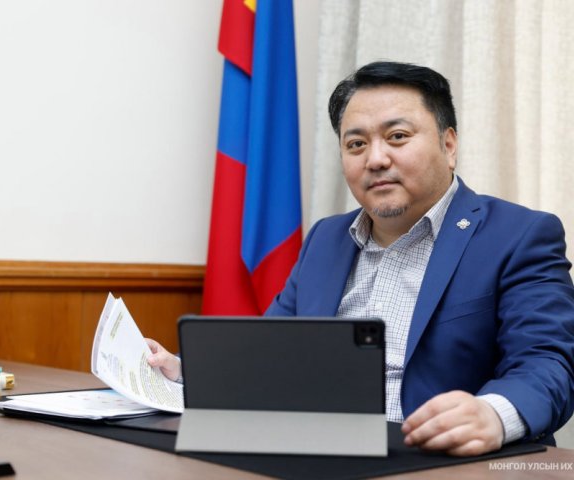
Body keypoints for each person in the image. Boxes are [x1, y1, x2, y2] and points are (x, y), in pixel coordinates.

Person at [147, 61, 574, 457]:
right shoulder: (325, 239)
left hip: (442, 462)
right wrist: (183, 372)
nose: (376, 159)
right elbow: (272, 356)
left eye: (398, 137)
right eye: (356, 144)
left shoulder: (518, 235)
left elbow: (549, 363)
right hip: (322, 458)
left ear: (448, 145)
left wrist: (493, 414)